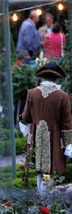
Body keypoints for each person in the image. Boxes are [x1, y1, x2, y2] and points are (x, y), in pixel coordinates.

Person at [19, 61, 72, 196]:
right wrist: (68, 145)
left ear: (43, 77)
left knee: (40, 171)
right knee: (48, 173)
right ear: (56, 78)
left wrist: (29, 131)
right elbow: (67, 124)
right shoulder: (62, 96)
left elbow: (25, 118)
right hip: (54, 139)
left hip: (36, 137)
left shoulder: (32, 93)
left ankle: (43, 201)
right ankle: (46, 203)